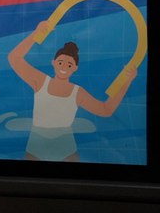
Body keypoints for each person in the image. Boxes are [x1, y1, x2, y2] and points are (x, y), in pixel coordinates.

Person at [8, 22, 138, 161]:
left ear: (75, 68)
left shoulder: (77, 92)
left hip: (65, 147)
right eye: (60, 62)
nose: (64, 67)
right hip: (36, 146)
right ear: (53, 62)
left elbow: (105, 110)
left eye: (69, 64)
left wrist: (127, 80)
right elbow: (14, 58)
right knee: (29, 182)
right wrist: (37, 33)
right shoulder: (41, 81)